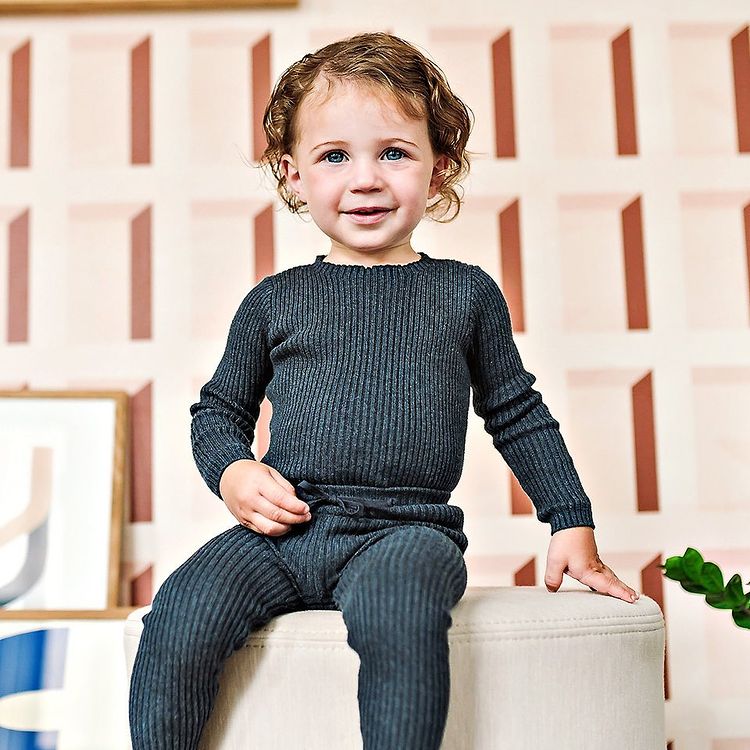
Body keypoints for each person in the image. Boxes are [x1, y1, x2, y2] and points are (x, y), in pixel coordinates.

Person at [129, 31, 640, 749]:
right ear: (293, 175)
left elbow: (517, 413)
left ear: (439, 169)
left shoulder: (464, 294)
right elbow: (218, 411)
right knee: (182, 610)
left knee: (399, 616)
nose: (365, 179)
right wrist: (233, 471)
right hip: (287, 531)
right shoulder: (275, 300)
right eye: (334, 156)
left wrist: (570, 520)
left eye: (394, 153)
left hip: (406, 532)